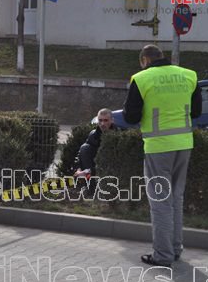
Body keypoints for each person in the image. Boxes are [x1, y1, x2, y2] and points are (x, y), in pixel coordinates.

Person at [123, 45, 201, 268]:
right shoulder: (189, 75)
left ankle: (163, 255)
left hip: (158, 147)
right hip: (184, 144)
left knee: (160, 202)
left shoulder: (141, 78)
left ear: (145, 60)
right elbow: (196, 113)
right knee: (176, 198)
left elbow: (131, 117)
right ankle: (175, 250)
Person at [74, 108, 117, 179]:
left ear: (112, 120)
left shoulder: (118, 136)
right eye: (100, 120)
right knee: (84, 148)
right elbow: (80, 154)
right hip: (92, 170)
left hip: (110, 171)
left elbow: (113, 160)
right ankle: (88, 182)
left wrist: (91, 171)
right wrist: (78, 169)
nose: (103, 123)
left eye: (106, 120)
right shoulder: (93, 135)